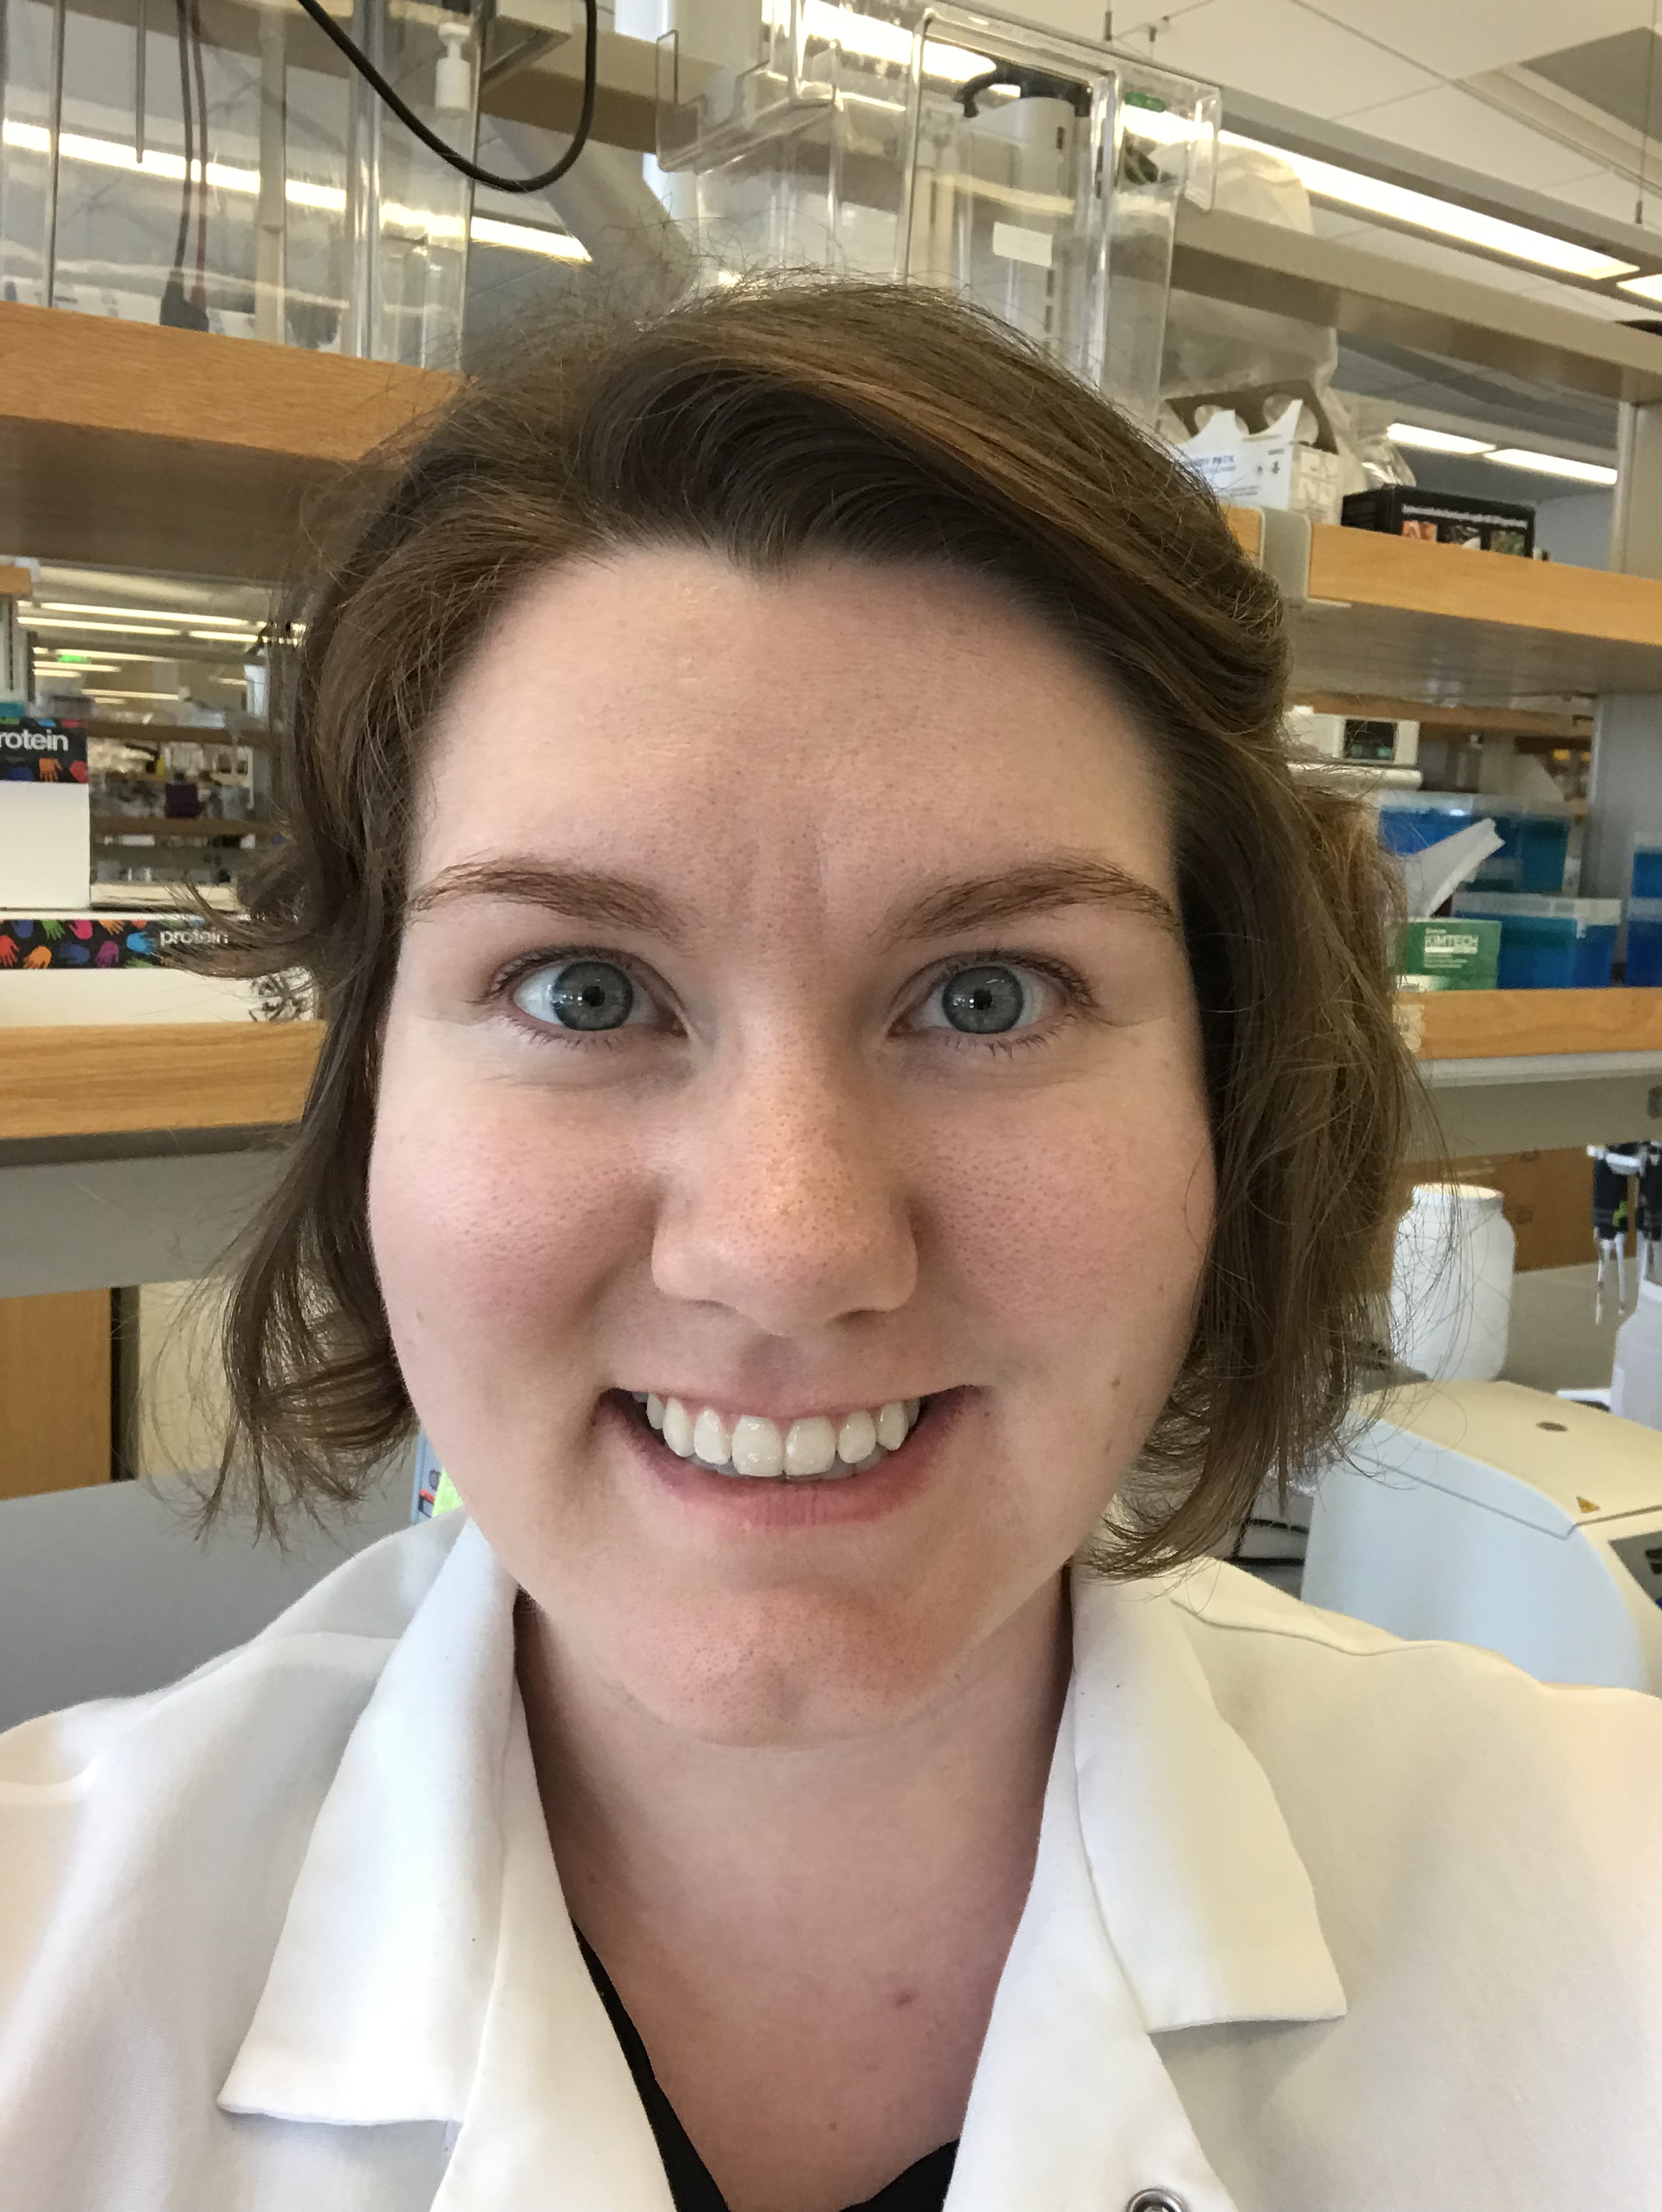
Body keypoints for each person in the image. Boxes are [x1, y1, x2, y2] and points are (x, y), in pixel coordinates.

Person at [1, 281, 1657, 2212]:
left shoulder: (1610, 1903)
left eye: (989, 995)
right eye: (584, 988)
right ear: (369, 1087)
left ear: (1228, 1090)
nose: (786, 1248)